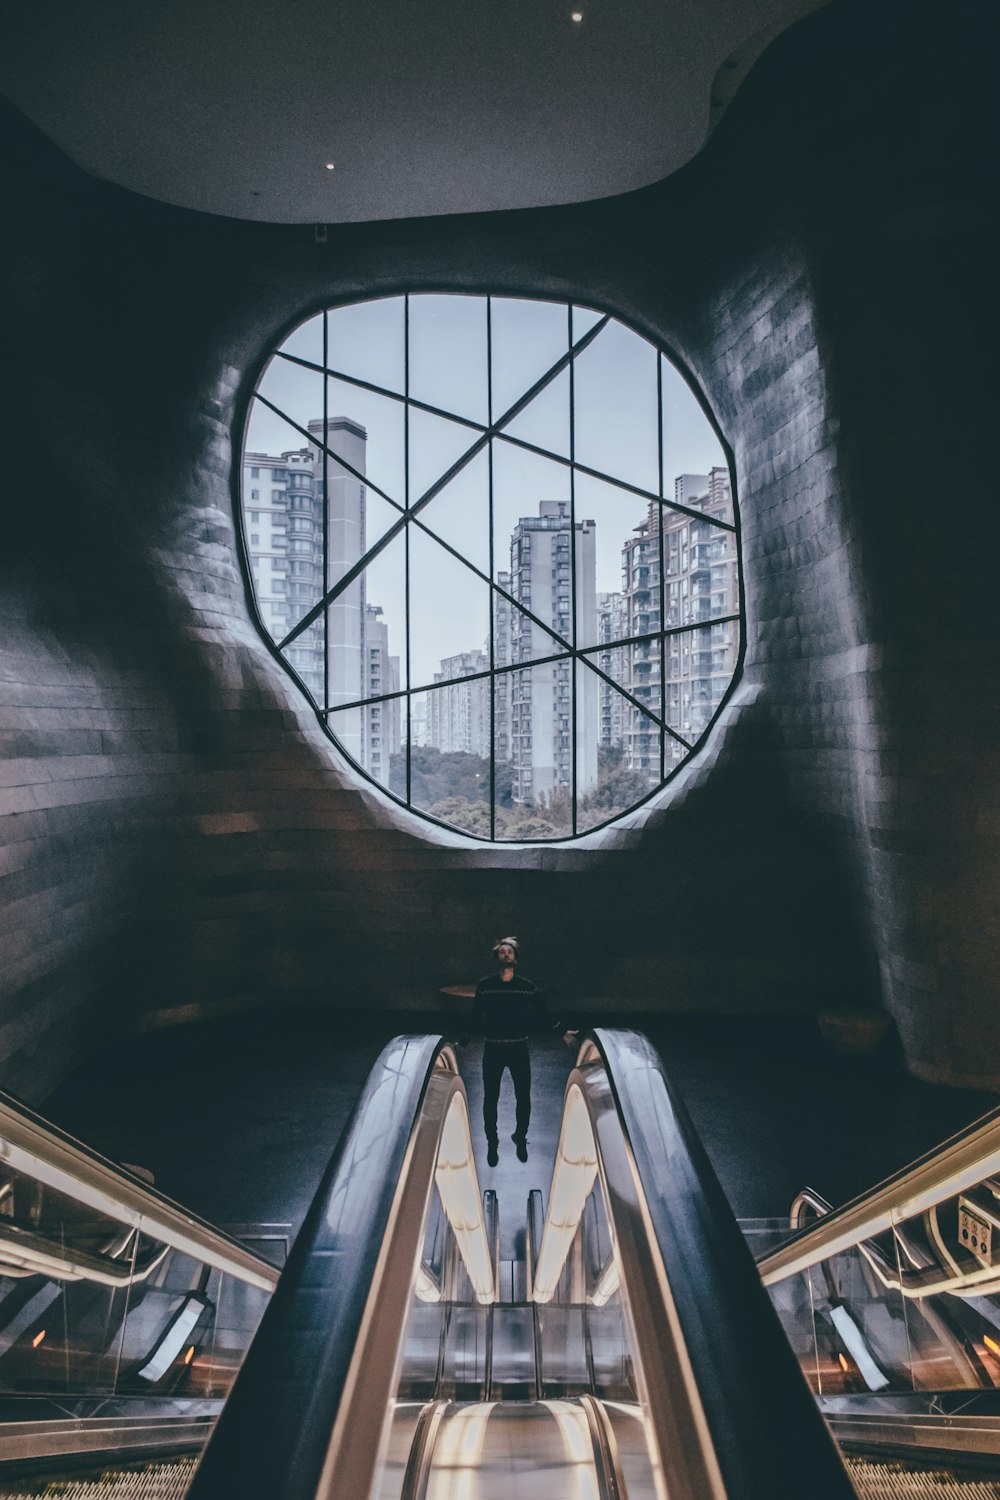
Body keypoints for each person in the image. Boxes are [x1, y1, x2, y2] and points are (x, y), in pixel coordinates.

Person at [466, 936, 577, 1167]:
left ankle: (520, 1137)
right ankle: (492, 1141)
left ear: (516, 958)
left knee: (523, 1097)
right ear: (496, 958)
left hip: (518, 1046)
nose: (506, 955)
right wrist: (463, 1042)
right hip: (494, 1047)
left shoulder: (526, 987)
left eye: (510, 952)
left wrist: (562, 1032)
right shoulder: (485, 987)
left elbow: (542, 1013)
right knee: (491, 1098)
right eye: (502, 952)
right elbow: (475, 1017)